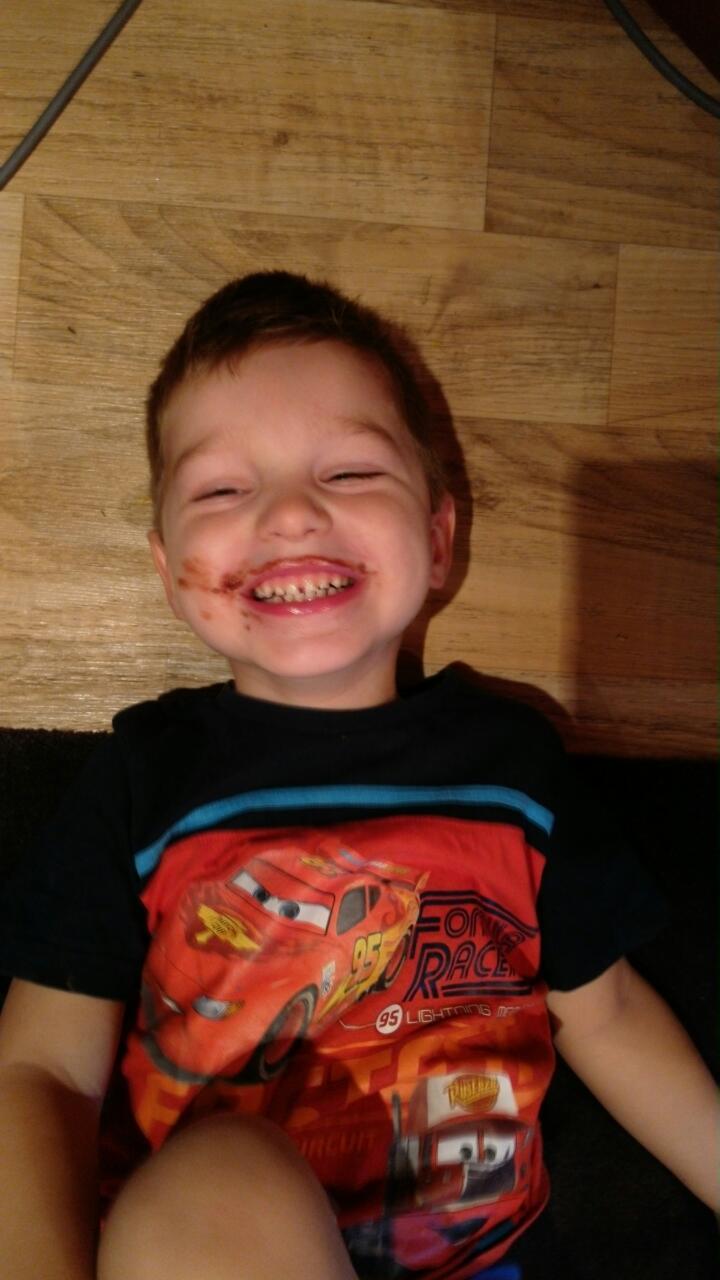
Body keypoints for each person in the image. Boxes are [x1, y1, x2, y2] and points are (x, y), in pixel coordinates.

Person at [0, 271, 716, 1280]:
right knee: (219, 1181)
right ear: (166, 570)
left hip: (479, 1263)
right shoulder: (143, 774)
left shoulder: (514, 767)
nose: (291, 513)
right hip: (216, 1242)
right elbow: (41, 1069)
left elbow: (608, 1013)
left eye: (348, 472)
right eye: (222, 489)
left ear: (437, 539)